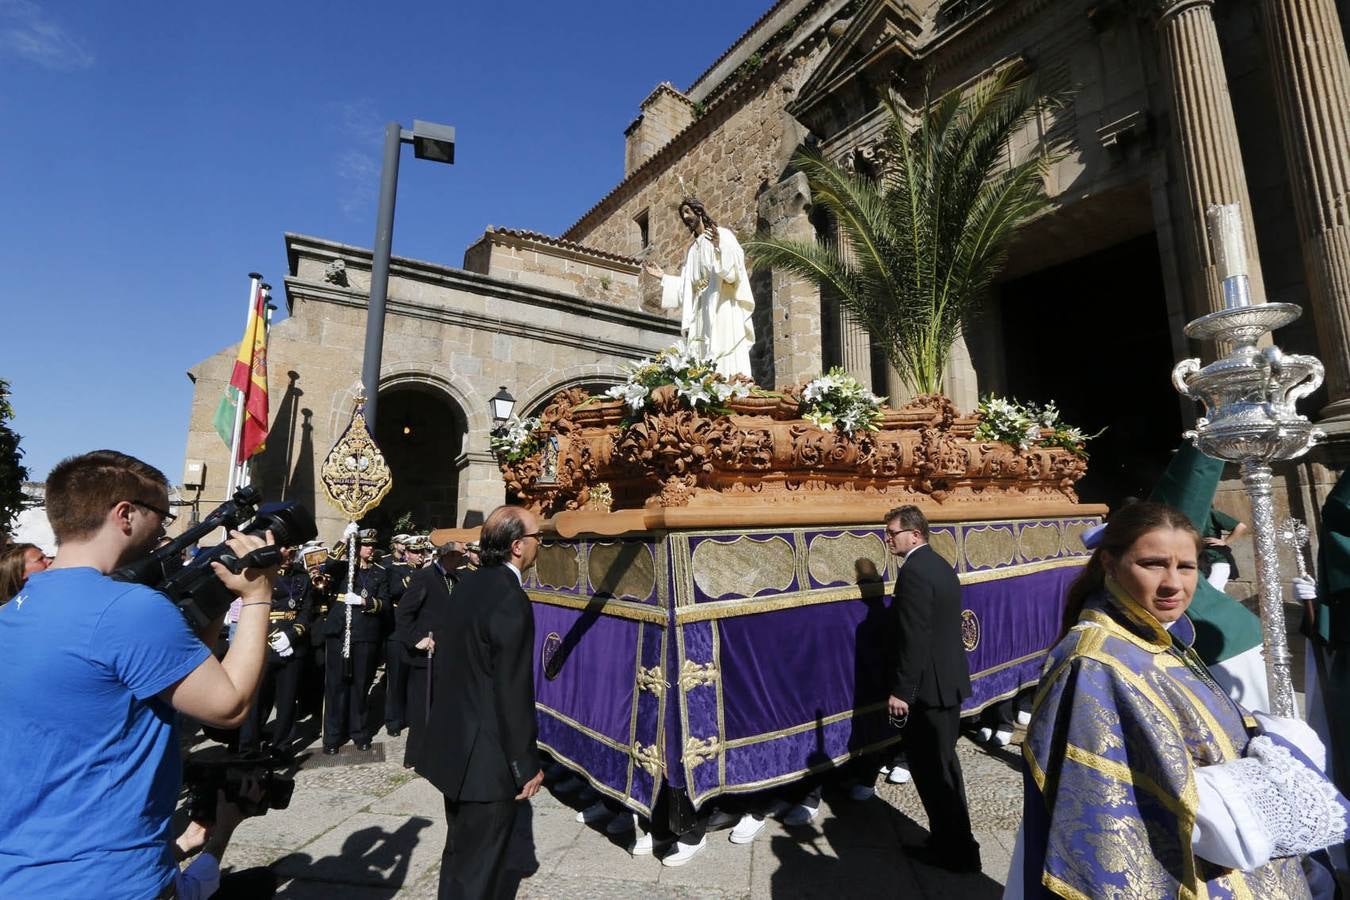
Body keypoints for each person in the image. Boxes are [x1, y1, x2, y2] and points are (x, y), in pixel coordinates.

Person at [1011, 501, 1348, 898]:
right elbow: (1110, 811)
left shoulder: (1160, 637)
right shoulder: (1094, 664)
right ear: (1109, 564)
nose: (1173, 583)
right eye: (1153, 564)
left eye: (1186, 567)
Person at [0, 450, 277, 897]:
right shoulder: (126, 609)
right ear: (125, 514)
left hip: (22, 870)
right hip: (107, 877)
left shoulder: (14, 609)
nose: (165, 531)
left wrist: (212, 600)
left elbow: (168, 678)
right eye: (162, 516)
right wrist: (258, 594)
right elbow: (229, 707)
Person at [415, 505, 544, 899]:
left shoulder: (466, 584)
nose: (542, 545)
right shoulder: (509, 597)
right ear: (518, 546)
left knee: (459, 858)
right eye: (539, 538)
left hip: (454, 749)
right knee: (478, 874)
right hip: (485, 760)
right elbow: (511, 688)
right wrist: (525, 764)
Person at [883, 504, 980, 873]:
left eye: (893, 532)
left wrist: (902, 692)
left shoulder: (915, 573)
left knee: (935, 775)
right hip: (946, 686)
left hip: (929, 691)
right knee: (943, 769)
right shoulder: (938, 565)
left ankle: (955, 852)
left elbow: (915, 638)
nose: (888, 539)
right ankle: (949, 840)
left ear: (915, 534)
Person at [642, 196, 755, 379]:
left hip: (722, 303)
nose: (685, 217)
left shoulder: (723, 234)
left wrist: (719, 247)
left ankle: (732, 385)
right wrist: (663, 277)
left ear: (699, 211)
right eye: (682, 214)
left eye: (687, 211)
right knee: (702, 352)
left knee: (724, 345)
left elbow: (734, 272)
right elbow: (688, 287)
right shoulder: (692, 250)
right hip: (701, 309)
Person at [238, 546, 313, 756]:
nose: (289, 557)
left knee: (288, 700)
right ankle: (248, 747)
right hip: (264, 643)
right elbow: (253, 608)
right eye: (285, 553)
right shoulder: (262, 575)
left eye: (292, 553)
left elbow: (306, 611)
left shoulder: (301, 577)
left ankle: (282, 746)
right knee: (257, 701)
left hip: (291, 644)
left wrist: (292, 635)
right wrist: (271, 636)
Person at [397, 539, 465, 767]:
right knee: (421, 708)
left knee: (442, 706)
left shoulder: (455, 578)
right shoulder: (424, 577)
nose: (459, 561)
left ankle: (438, 751)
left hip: (448, 654)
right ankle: (416, 756)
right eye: (455, 557)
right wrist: (416, 639)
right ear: (444, 556)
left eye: (460, 557)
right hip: (426, 654)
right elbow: (404, 614)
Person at [323, 528, 391, 754]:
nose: (370, 548)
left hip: (365, 635)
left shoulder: (380, 573)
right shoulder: (345, 569)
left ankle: (360, 732)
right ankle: (332, 736)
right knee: (336, 686)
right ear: (357, 547)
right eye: (366, 544)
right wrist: (343, 538)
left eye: (373, 545)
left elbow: (384, 604)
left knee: (360, 686)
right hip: (340, 633)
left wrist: (364, 602)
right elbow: (328, 564)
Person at [383, 535, 420, 738]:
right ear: (406, 553)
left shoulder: (425, 572)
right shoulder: (393, 569)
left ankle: (411, 716)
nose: (419, 556)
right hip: (397, 630)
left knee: (414, 679)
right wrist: (412, 577)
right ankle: (393, 720)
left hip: (416, 630)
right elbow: (394, 591)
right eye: (415, 552)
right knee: (396, 679)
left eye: (421, 552)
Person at [1202, 505, 1249, 591]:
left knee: (1211, 591)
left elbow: (1240, 526)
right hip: (1200, 562)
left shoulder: (1209, 513)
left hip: (1217, 560)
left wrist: (1225, 541)